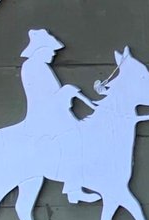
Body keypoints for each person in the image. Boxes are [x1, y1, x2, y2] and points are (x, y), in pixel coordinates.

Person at [19, 29, 100, 202]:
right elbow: (42, 96)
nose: (53, 54)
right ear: (40, 50)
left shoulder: (42, 67)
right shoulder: (32, 67)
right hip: (44, 116)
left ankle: (77, 185)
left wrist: (66, 93)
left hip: (55, 113)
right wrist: (66, 91)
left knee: (81, 137)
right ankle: (73, 190)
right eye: (51, 50)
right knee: (75, 139)